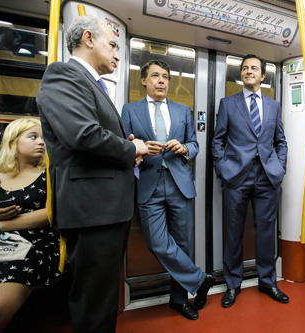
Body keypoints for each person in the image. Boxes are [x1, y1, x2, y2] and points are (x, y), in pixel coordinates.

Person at [36, 16, 148, 332]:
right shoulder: (63, 75)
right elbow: (83, 135)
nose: (117, 54)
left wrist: (125, 154)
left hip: (105, 208)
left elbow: (92, 138)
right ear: (88, 38)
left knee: (102, 295)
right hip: (92, 209)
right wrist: (133, 149)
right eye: (112, 45)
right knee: (93, 300)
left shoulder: (91, 84)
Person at [121, 59, 215, 320]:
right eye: (155, 76)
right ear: (144, 80)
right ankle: (199, 279)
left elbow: (194, 144)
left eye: (165, 77)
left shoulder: (183, 110)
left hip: (179, 183)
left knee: (183, 245)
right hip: (148, 183)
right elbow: (123, 144)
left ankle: (179, 299)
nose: (161, 81)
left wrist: (184, 149)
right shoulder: (130, 110)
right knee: (157, 242)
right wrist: (138, 147)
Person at [212, 54, 288, 308]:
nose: (248, 71)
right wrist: (222, 167)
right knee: (233, 232)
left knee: (266, 233)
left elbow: (280, 142)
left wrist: (281, 167)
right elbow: (217, 140)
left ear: (263, 76)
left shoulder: (273, 106)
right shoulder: (228, 103)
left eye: (254, 68)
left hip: (267, 176)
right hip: (236, 175)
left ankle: (267, 282)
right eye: (244, 68)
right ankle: (233, 284)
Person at [0, 118, 61, 332]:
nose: (41, 142)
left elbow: (50, 214)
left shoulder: (49, 175)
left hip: (36, 246)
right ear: (12, 143)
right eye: (33, 136)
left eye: (44, 138)